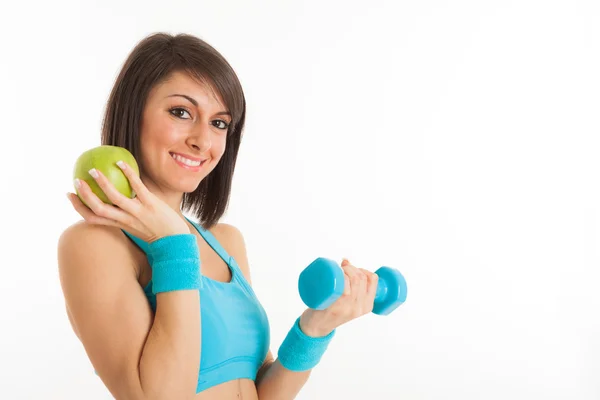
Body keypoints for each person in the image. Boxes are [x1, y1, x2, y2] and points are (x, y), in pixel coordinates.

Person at [58, 32, 379, 400]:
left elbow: (258, 393)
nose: (203, 141)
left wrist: (318, 326)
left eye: (220, 123)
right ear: (134, 113)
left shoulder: (226, 241)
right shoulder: (94, 244)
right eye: (181, 112)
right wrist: (173, 245)